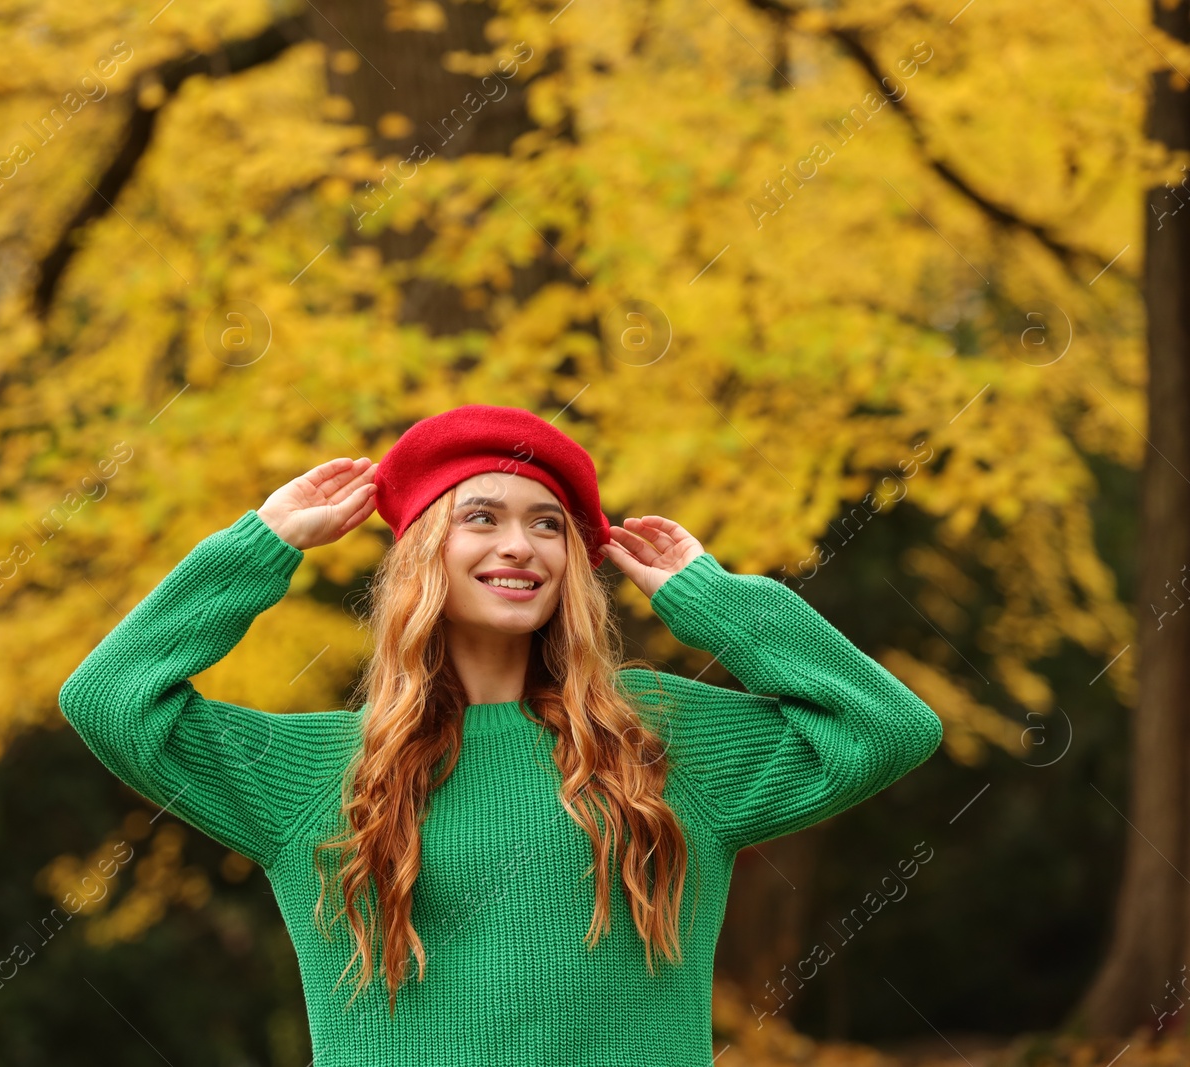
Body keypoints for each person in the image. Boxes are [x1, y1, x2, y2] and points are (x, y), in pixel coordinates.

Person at [58, 403, 943, 1065]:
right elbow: (110, 698)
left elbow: (890, 727)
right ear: (423, 554)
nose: (520, 545)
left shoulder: (660, 737)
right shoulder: (318, 770)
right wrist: (262, 545)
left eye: (547, 523)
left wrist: (716, 602)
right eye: (481, 516)